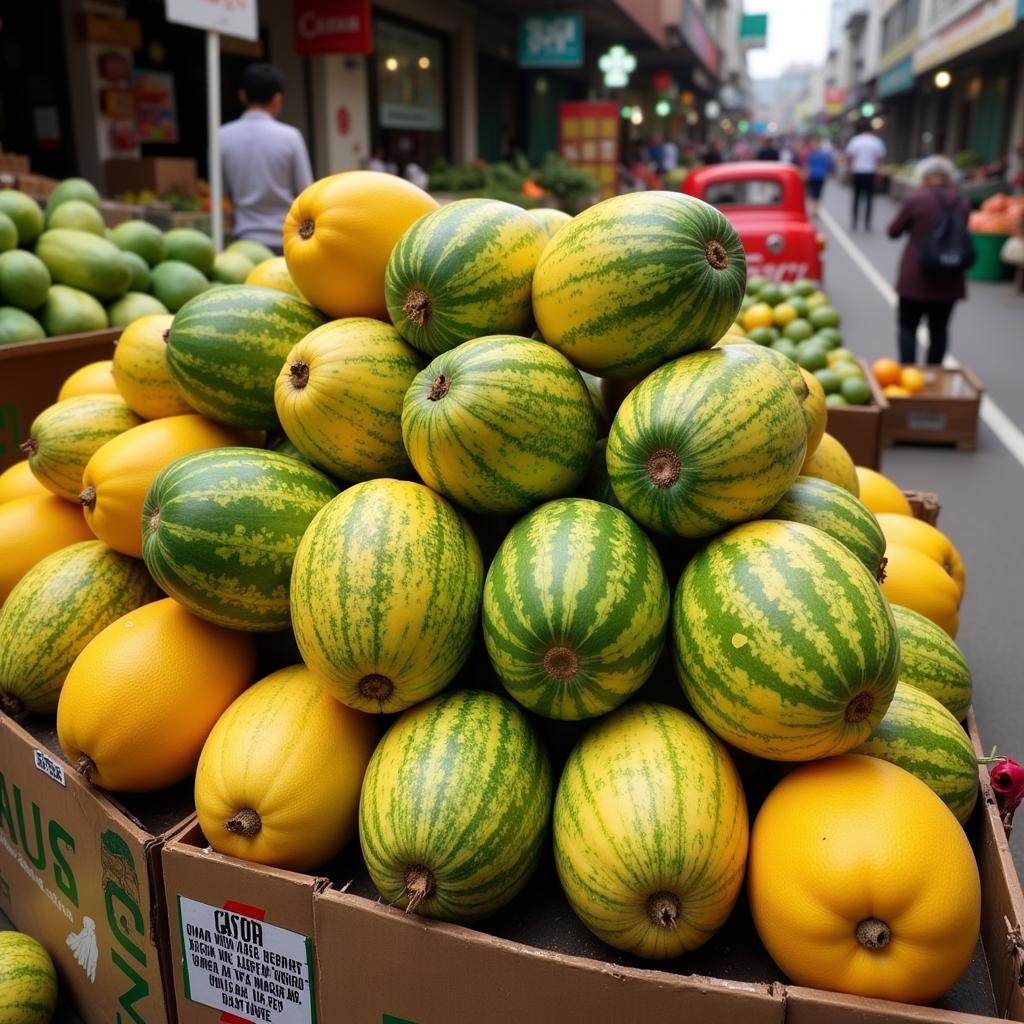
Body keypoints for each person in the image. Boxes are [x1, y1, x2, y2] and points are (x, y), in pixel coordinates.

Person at [219, 63, 313, 254]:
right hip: (288, 239)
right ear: (278, 99)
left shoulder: (221, 136)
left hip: (244, 244)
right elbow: (306, 194)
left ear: (242, 95)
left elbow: (221, 197)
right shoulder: (290, 136)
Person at [887, 156, 970, 365]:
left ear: (924, 178)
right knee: (939, 329)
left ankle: (909, 373)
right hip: (950, 277)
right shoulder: (963, 202)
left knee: (908, 327)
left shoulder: (916, 200)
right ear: (949, 179)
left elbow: (893, 231)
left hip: (916, 277)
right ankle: (935, 376)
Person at [845, 120, 886, 230]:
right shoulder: (876, 142)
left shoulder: (855, 141)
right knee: (869, 199)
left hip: (858, 172)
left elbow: (849, 157)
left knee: (856, 198)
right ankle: (867, 222)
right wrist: (878, 174)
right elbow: (879, 160)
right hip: (870, 172)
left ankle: (854, 221)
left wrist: (850, 171)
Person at [803, 138, 834, 216]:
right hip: (820, 176)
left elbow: (807, 166)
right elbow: (828, 166)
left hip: (814, 176)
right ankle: (816, 209)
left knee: (813, 192)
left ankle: (814, 209)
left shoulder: (812, 155)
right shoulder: (823, 155)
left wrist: (806, 175)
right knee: (818, 193)